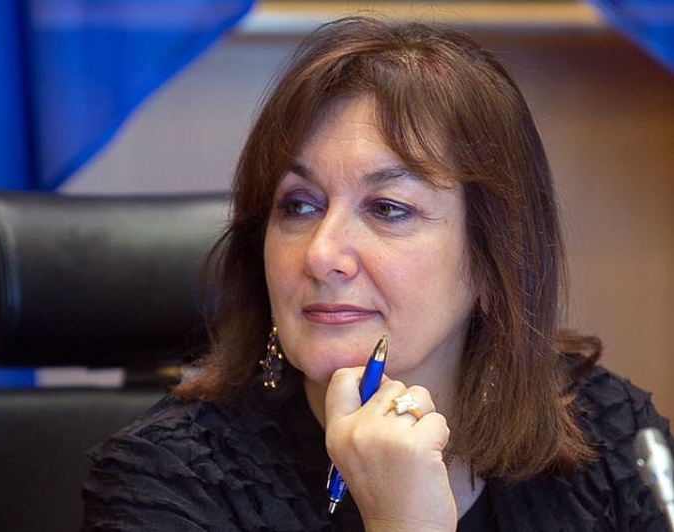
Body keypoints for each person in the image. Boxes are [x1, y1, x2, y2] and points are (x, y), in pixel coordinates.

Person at [81, 16, 672, 532]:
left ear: (494, 261)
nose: (321, 253)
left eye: (388, 209)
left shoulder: (612, 438)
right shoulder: (164, 480)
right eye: (299, 205)